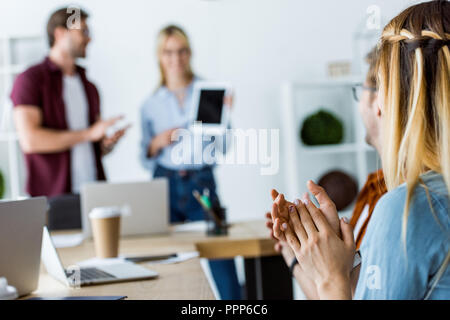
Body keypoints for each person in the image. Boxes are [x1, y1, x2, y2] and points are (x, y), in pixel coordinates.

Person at [273, 0, 449, 299]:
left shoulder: (409, 210)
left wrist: (330, 277)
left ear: (395, 101)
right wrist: (343, 261)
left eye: (380, 87)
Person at [265, 46, 387, 299]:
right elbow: (338, 292)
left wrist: (330, 271)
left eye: (360, 91)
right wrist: (297, 252)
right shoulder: (373, 187)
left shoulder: (393, 203)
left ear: (378, 101)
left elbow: (338, 288)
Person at [140, 25, 241, 300]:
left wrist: (223, 118)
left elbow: (222, 148)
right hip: (165, 183)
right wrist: (158, 142)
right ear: (160, 56)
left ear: (190, 53)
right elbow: (143, 156)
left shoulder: (208, 92)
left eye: (182, 51)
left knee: (221, 254)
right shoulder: (150, 104)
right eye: (169, 52)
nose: (176, 58)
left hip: (202, 182)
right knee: (161, 260)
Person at [11, 7, 127, 197]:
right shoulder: (30, 80)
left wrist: (105, 144)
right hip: (53, 197)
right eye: (83, 31)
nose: (89, 39)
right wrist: (89, 134)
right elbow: (30, 140)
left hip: (94, 192)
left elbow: (93, 144)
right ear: (60, 33)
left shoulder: (89, 86)